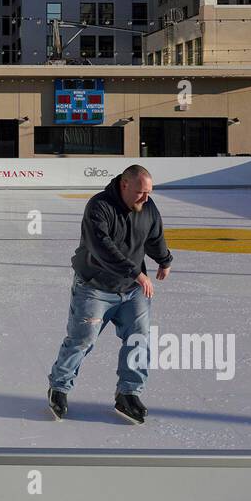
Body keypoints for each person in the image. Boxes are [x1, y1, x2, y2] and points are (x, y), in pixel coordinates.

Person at [47, 164, 173, 425]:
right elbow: (102, 247)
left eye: (149, 192)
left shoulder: (147, 207)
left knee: (139, 341)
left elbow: (154, 235)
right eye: (140, 192)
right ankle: (59, 387)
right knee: (82, 340)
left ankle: (128, 394)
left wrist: (164, 260)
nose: (146, 198)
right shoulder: (99, 207)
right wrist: (136, 272)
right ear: (124, 185)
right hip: (94, 288)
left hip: (132, 292)